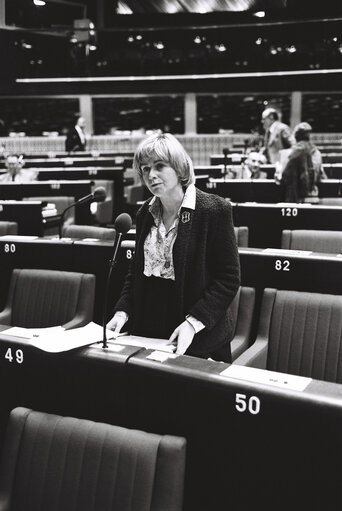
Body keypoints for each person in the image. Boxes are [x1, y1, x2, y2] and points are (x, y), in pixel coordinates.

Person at [107, 133, 240, 362]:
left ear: (179, 168)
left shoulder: (214, 210)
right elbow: (135, 273)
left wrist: (192, 323)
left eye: (159, 166)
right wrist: (122, 311)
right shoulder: (145, 213)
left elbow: (228, 279)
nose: (151, 175)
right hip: (150, 334)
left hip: (200, 336)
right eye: (145, 169)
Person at [279, 122, 327, 203]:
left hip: (291, 199)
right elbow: (319, 175)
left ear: (295, 137)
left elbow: (281, 177)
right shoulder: (317, 153)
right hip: (312, 197)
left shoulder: (285, 154)